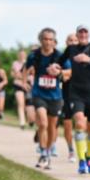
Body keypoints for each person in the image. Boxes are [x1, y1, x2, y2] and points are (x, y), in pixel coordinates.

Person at [63, 25, 90, 175]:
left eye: (85, 32)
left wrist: (89, 60)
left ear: (89, 34)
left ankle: (89, 156)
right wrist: (55, 68)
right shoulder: (71, 50)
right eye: (80, 32)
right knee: (80, 122)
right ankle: (81, 160)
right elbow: (58, 60)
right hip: (76, 93)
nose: (83, 34)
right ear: (76, 35)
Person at [24, 28, 64, 170]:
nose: (48, 42)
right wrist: (25, 83)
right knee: (43, 123)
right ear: (41, 40)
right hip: (39, 93)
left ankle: (47, 152)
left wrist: (59, 72)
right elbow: (25, 69)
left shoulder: (60, 56)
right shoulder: (34, 55)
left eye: (50, 39)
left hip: (55, 96)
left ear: (54, 41)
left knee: (52, 127)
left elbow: (69, 72)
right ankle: (42, 152)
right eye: (45, 39)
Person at [11, 49, 36, 130]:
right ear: (18, 55)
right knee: (21, 103)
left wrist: (23, 77)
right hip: (18, 85)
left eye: (23, 54)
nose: (22, 55)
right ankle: (22, 122)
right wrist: (24, 78)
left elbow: (33, 73)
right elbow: (15, 75)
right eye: (20, 54)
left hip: (29, 85)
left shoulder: (30, 63)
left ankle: (30, 120)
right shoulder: (15, 63)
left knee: (29, 105)